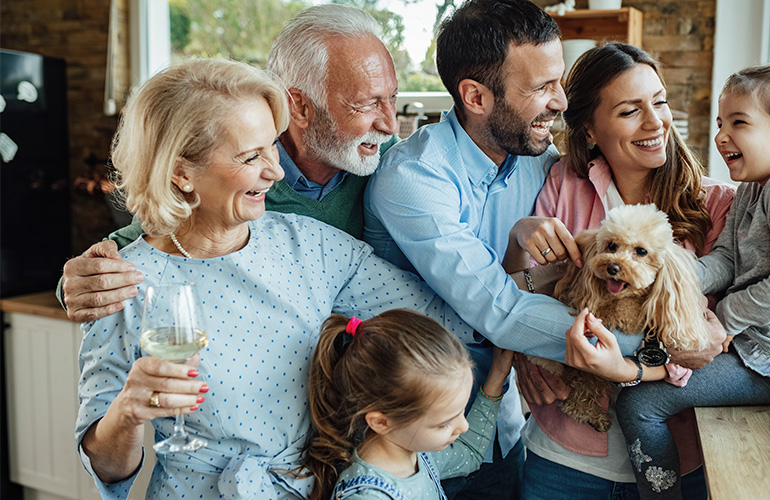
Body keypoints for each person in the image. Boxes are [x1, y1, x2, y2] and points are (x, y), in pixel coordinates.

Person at [75, 58, 469, 500]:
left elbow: (447, 314)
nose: (276, 171)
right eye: (250, 157)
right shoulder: (118, 282)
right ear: (181, 174)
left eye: (272, 147)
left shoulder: (310, 245)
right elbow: (106, 468)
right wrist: (128, 412)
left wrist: (529, 279)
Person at [363, 2, 654, 497]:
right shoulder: (413, 178)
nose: (560, 102)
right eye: (541, 88)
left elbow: (565, 278)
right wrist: (649, 352)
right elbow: (501, 310)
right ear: (475, 96)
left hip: (506, 427)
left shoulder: (542, 165)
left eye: (558, 82)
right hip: (415, 445)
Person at [59, 3, 399, 322]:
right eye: (365, 105)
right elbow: (144, 244)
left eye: (393, 98)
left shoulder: (390, 161)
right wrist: (78, 283)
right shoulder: (235, 184)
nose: (390, 125)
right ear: (299, 107)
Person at [505, 42, 733, 500]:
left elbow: (716, 343)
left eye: (660, 102)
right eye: (631, 111)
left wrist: (628, 368)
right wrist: (520, 350)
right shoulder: (561, 187)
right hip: (563, 459)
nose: (655, 122)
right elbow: (517, 299)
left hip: (680, 455)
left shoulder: (717, 205)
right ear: (589, 129)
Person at [611, 62, 770, 499]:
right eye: (720, 123)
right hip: (756, 352)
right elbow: (728, 259)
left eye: (739, 123)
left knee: (640, 402)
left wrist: (726, 318)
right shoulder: (756, 185)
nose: (721, 136)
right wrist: (673, 276)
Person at [295, 310, 514, 500]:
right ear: (382, 422)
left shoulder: (414, 450)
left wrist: (496, 377)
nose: (463, 427)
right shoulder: (370, 495)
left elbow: (468, 453)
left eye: (460, 413)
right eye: (444, 423)